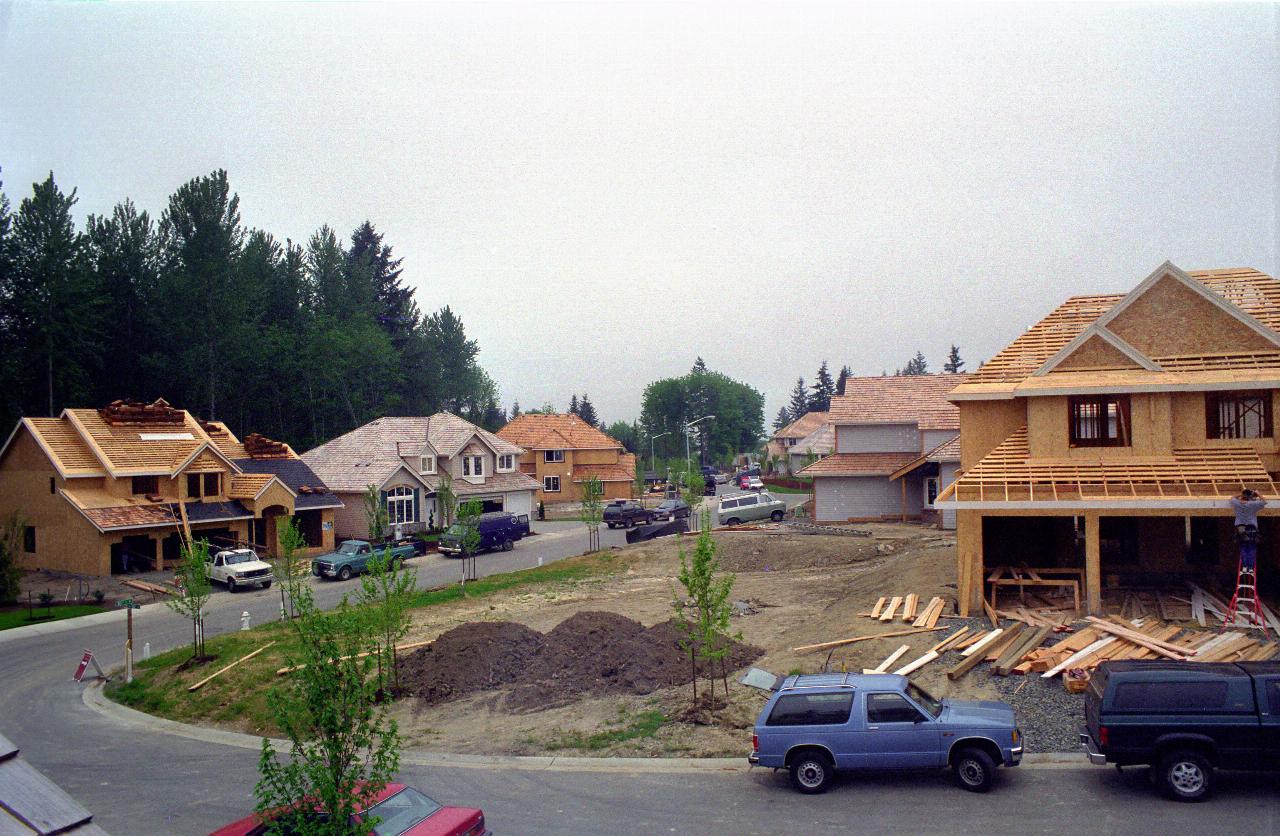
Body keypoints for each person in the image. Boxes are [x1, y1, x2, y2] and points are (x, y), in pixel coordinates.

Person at [1230, 489, 1267, 570]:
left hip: (1240, 528)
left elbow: (1232, 498)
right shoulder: (1253, 504)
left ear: (1242, 496)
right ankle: (1250, 567)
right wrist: (1258, 493)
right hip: (1251, 528)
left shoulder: (1237, 503)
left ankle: (1244, 566)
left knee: (1243, 547)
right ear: (1250, 497)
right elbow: (1264, 502)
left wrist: (1240, 493)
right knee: (1251, 547)